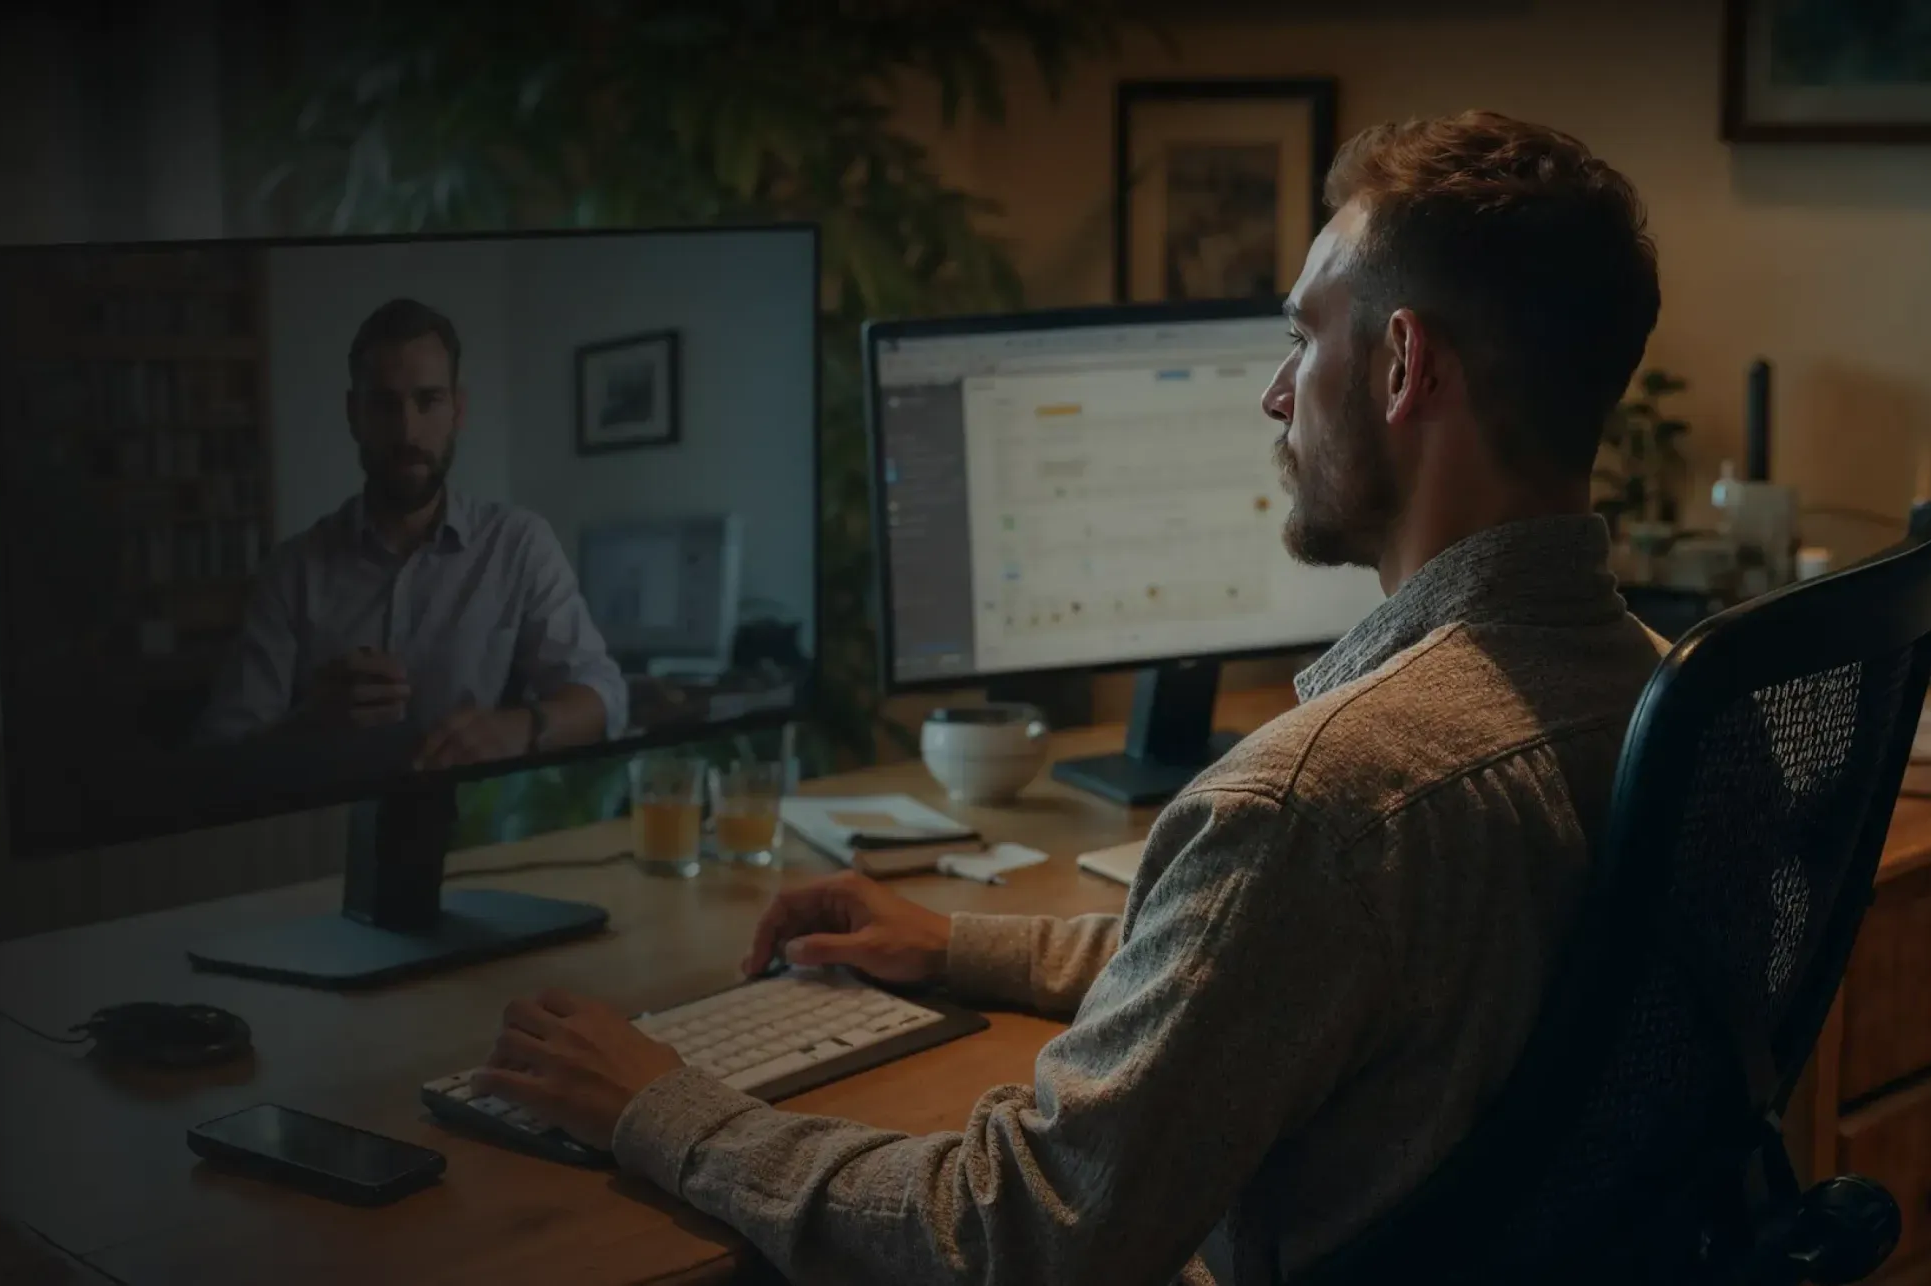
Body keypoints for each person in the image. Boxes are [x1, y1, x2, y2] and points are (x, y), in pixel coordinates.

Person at [467, 111, 1671, 1284]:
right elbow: (1273, 972)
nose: (1273, 393)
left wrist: (663, 1105)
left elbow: (1017, 1238)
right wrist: (955, 942)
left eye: (1303, 336)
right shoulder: (1655, 689)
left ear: (1403, 365)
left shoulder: (1319, 804)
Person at [192, 298, 626, 772]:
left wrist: (522, 727)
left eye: (429, 401)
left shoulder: (518, 544)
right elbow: (219, 757)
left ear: (457, 410)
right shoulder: (292, 571)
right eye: (383, 404)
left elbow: (604, 694)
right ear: (353, 414)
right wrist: (310, 726)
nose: (407, 430)